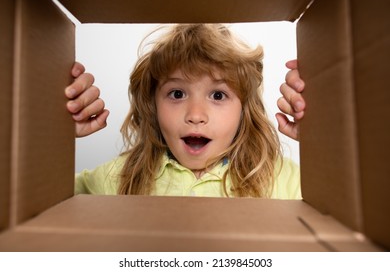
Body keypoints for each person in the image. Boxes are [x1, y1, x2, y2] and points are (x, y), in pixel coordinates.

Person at [65, 24, 306, 198]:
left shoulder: (282, 180)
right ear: (153, 106)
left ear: (244, 110)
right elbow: (39, 204)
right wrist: (56, 131)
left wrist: (323, 139)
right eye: (177, 94)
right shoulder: (119, 178)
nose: (196, 115)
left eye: (218, 95)